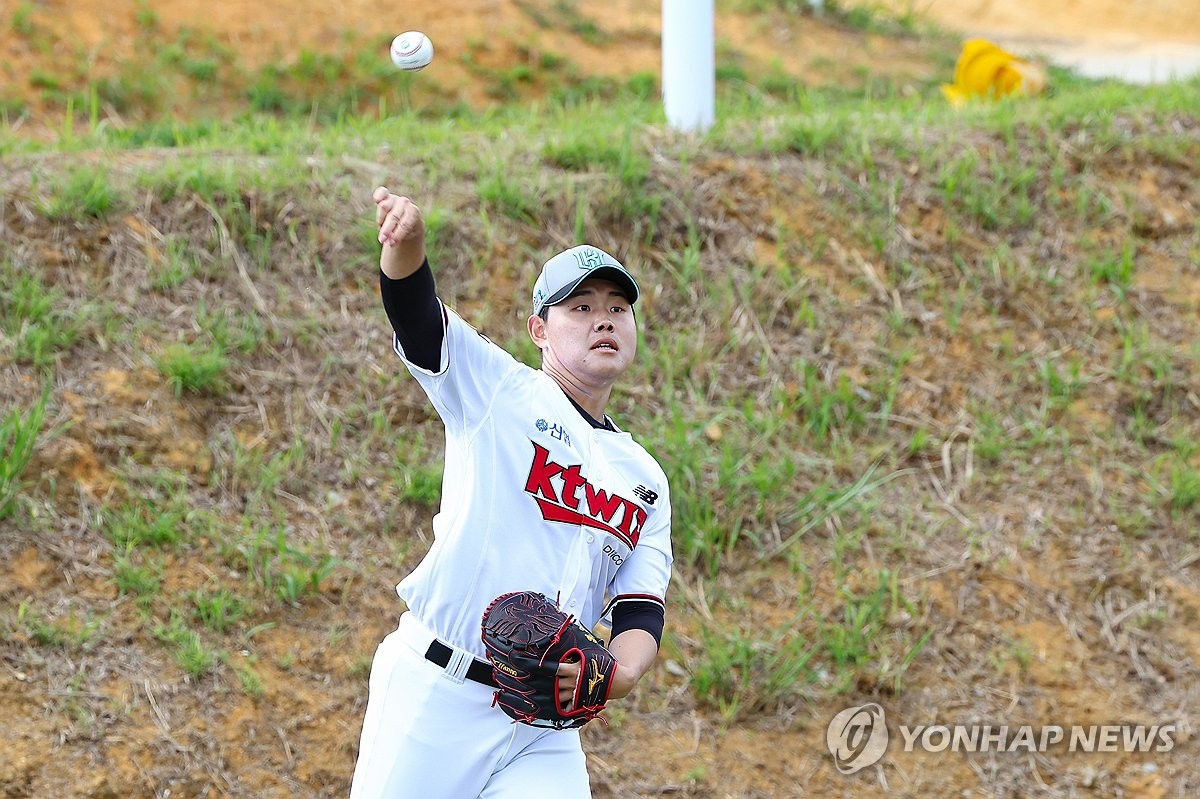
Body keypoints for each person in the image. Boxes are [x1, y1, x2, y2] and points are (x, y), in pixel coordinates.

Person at [348, 187, 674, 798]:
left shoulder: (644, 477)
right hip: (436, 696)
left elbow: (639, 610)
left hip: (541, 724)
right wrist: (408, 246)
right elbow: (418, 320)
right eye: (578, 307)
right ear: (539, 331)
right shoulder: (500, 391)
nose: (603, 318)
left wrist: (613, 676)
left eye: (617, 307)